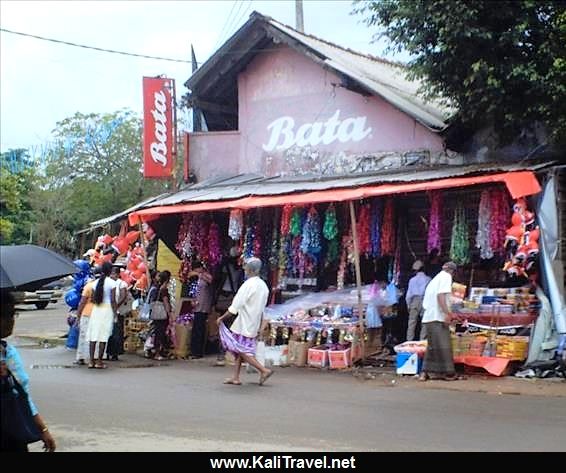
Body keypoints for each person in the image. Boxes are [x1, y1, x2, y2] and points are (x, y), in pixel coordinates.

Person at [1, 291, 57, 452]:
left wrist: (43, 429)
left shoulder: (7, 353)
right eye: (5, 315)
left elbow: (22, 396)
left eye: (13, 314)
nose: (11, 321)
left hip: (11, 435)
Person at [216, 257, 273, 386]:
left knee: (241, 350)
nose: (243, 268)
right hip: (253, 322)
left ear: (250, 269)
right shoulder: (263, 285)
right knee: (239, 351)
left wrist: (222, 318)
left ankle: (263, 370)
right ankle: (235, 377)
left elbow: (235, 306)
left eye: (245, 266)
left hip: (245, 322)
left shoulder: (248, 285)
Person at [419, 261, 463, 381]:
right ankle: (448, 372)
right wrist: (447, 313)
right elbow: (440, 296)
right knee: (444, 345)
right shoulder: (446, 277)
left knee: (433, 346)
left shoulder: (435, 279)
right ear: (452, 271)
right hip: (437, 316)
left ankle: (425, 372)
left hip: (430, 317)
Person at [86, 262, 117, 369]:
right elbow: (113, 300)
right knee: (103, 337)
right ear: (110, 271)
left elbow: (93, 298)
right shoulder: (112, 283)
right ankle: (99, 361)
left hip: (96, 310)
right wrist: (115, 313)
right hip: (107, 310)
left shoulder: (95, 283)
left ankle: (91, 361)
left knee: (93, 336)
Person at [188, 262, 213, 359]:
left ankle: (198, 352)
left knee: (200, 329)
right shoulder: (195, 279)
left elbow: (210, 280)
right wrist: (192, 300)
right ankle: (194, 350)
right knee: (196, 329)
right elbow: (194, 290)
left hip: (203, 306)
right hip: (196, 306)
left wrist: (199, 274)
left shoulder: (205, 275)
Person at [405, 260, 431, 341]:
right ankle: (422, 341)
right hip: (425, 301)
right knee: (424, 323)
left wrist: (408, 305)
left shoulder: (412, 280)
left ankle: (409, 341)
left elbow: (408, 295)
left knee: (411, 323)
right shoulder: (428, 279)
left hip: (414, 301)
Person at [107, 267, 129, 361]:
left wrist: (116, 306)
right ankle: (108, 352)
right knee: (109, 332)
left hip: (118, 311)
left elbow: (123, 296)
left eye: (114, 273)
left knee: (117, 332)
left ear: (118, 274)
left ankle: (116, 352)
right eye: (111, 273)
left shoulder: (122, 283)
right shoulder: (108, 282)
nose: (112, 275)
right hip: (108, 311)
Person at [74, 277, 96, 365]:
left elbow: (82, 302)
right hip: (98, 313)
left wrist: (78, 315)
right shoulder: (103, 286)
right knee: (94, 337)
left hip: (87, 313)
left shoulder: (89, 286)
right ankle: (93, 357)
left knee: (84, 336)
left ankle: (81, 357)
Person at [152, 271, 173, 361]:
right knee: (160, 333)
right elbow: (165, 302)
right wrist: (169, 313)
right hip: (162, 313)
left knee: (158, 332)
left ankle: (158, 351)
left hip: (157, 313)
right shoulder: (164, 289)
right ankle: (157, 353)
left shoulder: (157, 287)